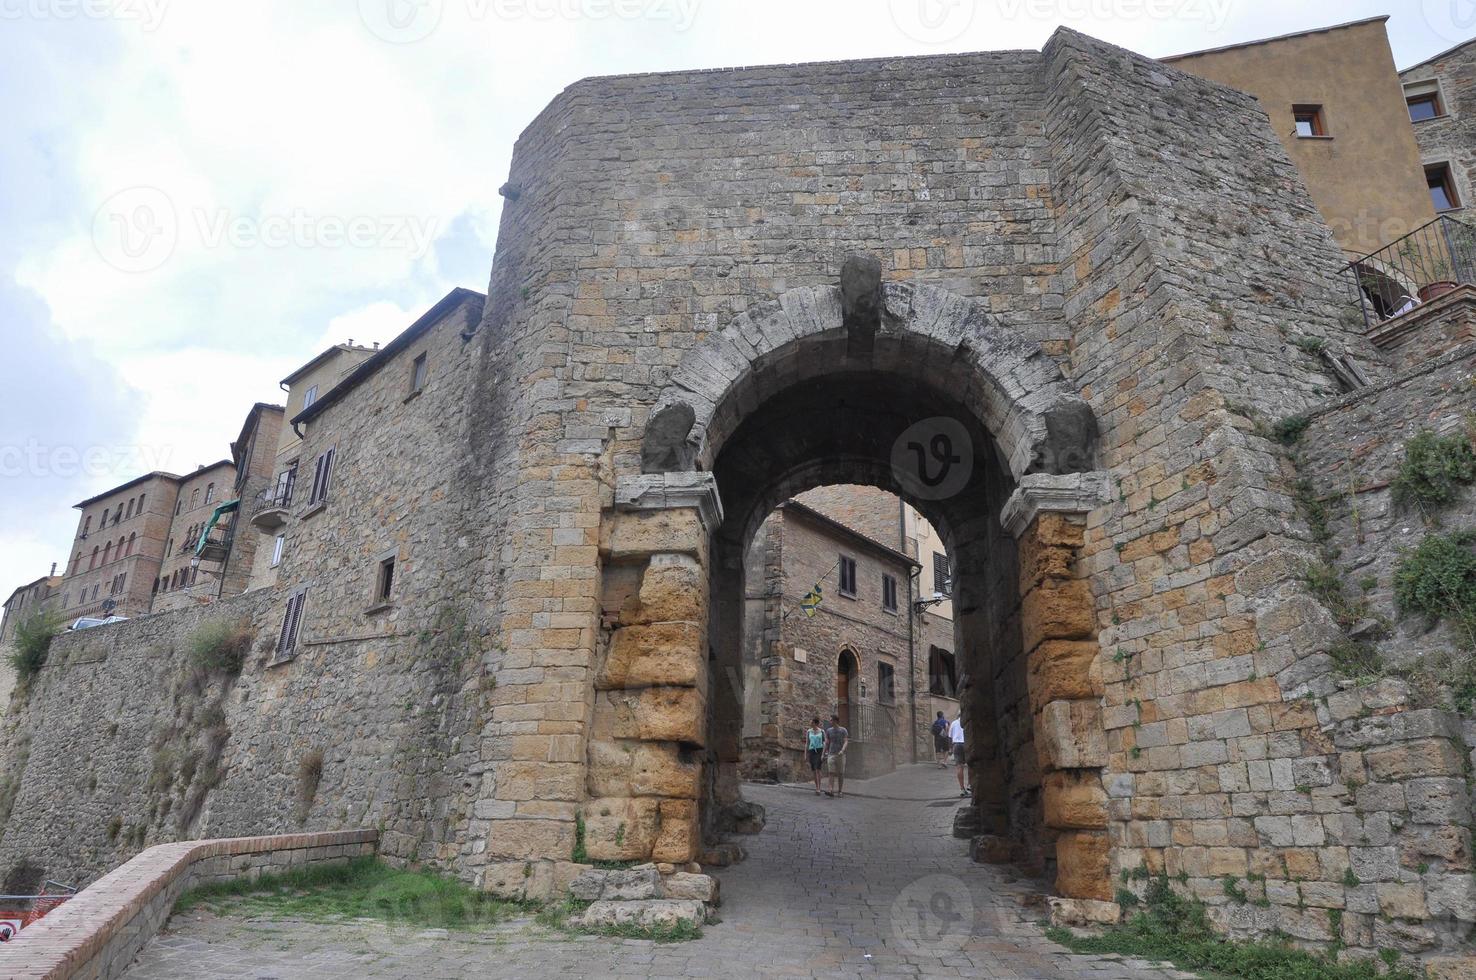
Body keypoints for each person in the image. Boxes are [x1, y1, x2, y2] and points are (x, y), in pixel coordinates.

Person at [824, 713, 849, 797]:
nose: (830, 721)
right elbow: (827, 742)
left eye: (831, 720)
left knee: (841, 773)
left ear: (835, 721)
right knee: (831, 772)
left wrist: (842, 750)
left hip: (840, 755)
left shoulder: (843, 730)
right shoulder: (828, 730)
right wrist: (824, 752)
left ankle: (840, 791)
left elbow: (846, 741)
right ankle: (830, 790)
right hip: (831, 754)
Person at [948, 713, 969, 797]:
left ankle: (962, 789)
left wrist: (950, 748)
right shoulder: (967, 722)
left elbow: (949, 737)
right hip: (966, 743)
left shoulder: (953, 723)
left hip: (956, 745)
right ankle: (970, 785)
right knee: (971, 765)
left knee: (959, 767)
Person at [805, 718, 827, 795]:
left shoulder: (822, 731)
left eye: (812, 722)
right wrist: (806, 754)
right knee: (814, 769)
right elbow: (807, 743)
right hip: (812, 751)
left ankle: (819, 788)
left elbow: (824, 743)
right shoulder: (809, 731)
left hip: (819, 750)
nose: (811, 723)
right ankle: (816, 786)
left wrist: (823, 754)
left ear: (816, 723)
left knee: (818, 769)